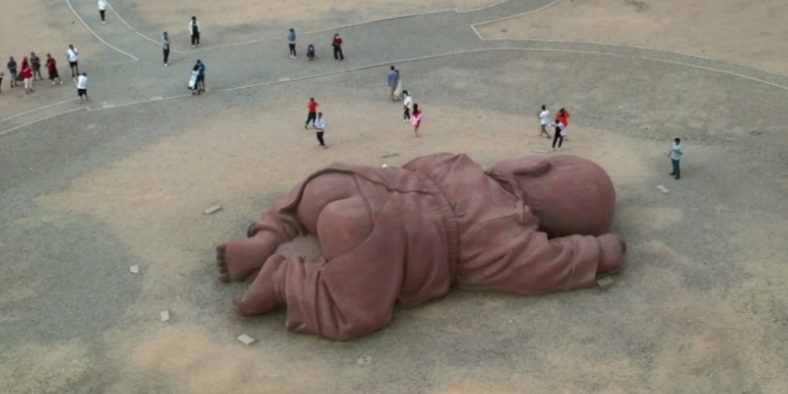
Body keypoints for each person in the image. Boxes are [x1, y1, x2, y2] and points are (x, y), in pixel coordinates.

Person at [215, 153, 626, 341]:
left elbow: (408, 167)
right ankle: (283, 279)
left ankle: (268, 236)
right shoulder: (510, 238)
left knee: (313, 191)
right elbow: (550, 266)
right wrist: (601, 251)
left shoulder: (452, 163)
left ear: (532, 165)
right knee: (356, 312)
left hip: (352, 184)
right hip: (373, 231)